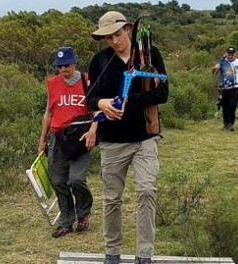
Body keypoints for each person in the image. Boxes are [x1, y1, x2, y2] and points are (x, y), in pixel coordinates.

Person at [87, 11, 169, 264]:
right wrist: (102, 103)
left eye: (117, 34)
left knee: (146, 191)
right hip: (112, 141)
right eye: (108, 37)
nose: (114, 40)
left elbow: (162, 93)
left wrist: (127, 101)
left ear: (129, 30)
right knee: (112, 199)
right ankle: (112, 253)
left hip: (144, 136)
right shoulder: (100, 61)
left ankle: (144, 255)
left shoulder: (149, 54)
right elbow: (88, 99)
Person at [38, 46, 95, 238]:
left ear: (74, 63)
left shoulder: (87, 81)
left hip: (80, 137)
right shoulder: (53, 84)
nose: (63, 69)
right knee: (58, 181)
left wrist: (93, 132)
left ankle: (84, 213)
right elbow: (48, 113)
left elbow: (97, 111)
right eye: (59, 66)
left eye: (66, 65)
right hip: (58, 137)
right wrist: (42, 140)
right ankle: (66, 221)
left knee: (76, 179)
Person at [212, 46, 238, 132]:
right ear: (226, 53)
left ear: (235, 54)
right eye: (229, 54)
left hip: (235, 87)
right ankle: (225, 124)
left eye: (232, 54)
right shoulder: (223, 62)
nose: (230, 55)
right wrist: (219, 64)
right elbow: (214, 72)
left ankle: (231, 123)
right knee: (225, 106)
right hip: (224, 87)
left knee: (232, 105)